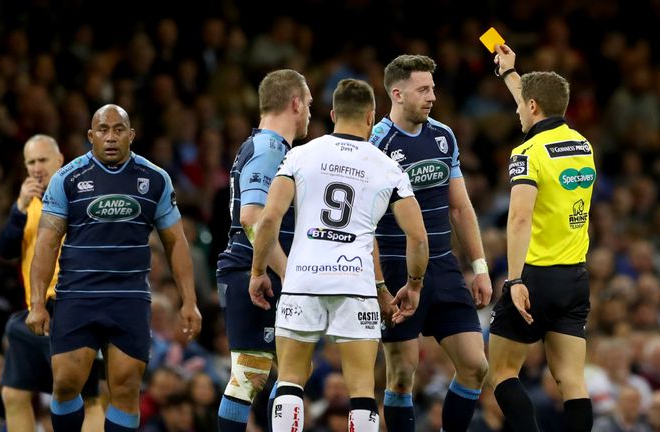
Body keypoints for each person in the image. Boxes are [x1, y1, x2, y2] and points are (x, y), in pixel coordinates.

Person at [250, 78, 429, 432]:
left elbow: (268, 218)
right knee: (362, 386)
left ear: (332, 114)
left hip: (303, 279)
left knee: (290, 378)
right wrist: (414, 284)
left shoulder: (299, 155)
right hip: (356, 284)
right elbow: (418, 237)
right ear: (370, 117)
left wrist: (258, 271)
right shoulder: (388, 167)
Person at [25, 104, 202, 432]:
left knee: (125, 389)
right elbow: (47, 244)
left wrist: (189, 300)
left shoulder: (155, 180)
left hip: (129, 299)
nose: (110, 137)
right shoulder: (67, 180)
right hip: (77, 296)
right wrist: (37, 303)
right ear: (90, 136)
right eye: (103, 130)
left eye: (118, 129)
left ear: (130, 135)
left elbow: (176, 242)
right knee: (65, 383)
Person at [369, 54, 492, 431]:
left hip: (442, 266)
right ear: (398, 93)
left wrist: (480, 267)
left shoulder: (443, 136)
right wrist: (377, 285)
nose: (432, 96)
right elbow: (365, 224)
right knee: (403, 373)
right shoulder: (375, 144)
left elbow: (460, 208)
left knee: (475, 366)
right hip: (396, 269)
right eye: (423, 89)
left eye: (433, 88)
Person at [488, 44, 595, 432]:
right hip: (574, 278)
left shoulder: (527, 152)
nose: (517, 110)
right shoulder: (583, 146)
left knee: (500, 372)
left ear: (532, 106)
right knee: (572, 380)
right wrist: (509, 74)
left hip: (534, 276)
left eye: (522, 105)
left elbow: (519, 219)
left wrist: (515, 279)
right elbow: (536, 108)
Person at [215, 69, 312, 431]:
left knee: (290, 370)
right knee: (252, 374)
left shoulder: (271, 148)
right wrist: (287, 273)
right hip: (253, 270)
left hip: (256, 269)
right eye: (310, 105)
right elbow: (253, 217)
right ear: (295, 103)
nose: (310, 115)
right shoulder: (270, 149)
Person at [0, 134, 104, 431]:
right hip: (36, 310)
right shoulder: (26, 205)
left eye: (43, 160)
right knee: (14, 393)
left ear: (60, 161)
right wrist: (18, 208)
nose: (36, 167)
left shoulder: (80, 196)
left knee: (88, 398)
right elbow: (5, 249)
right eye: (30, 162)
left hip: (73, 309)